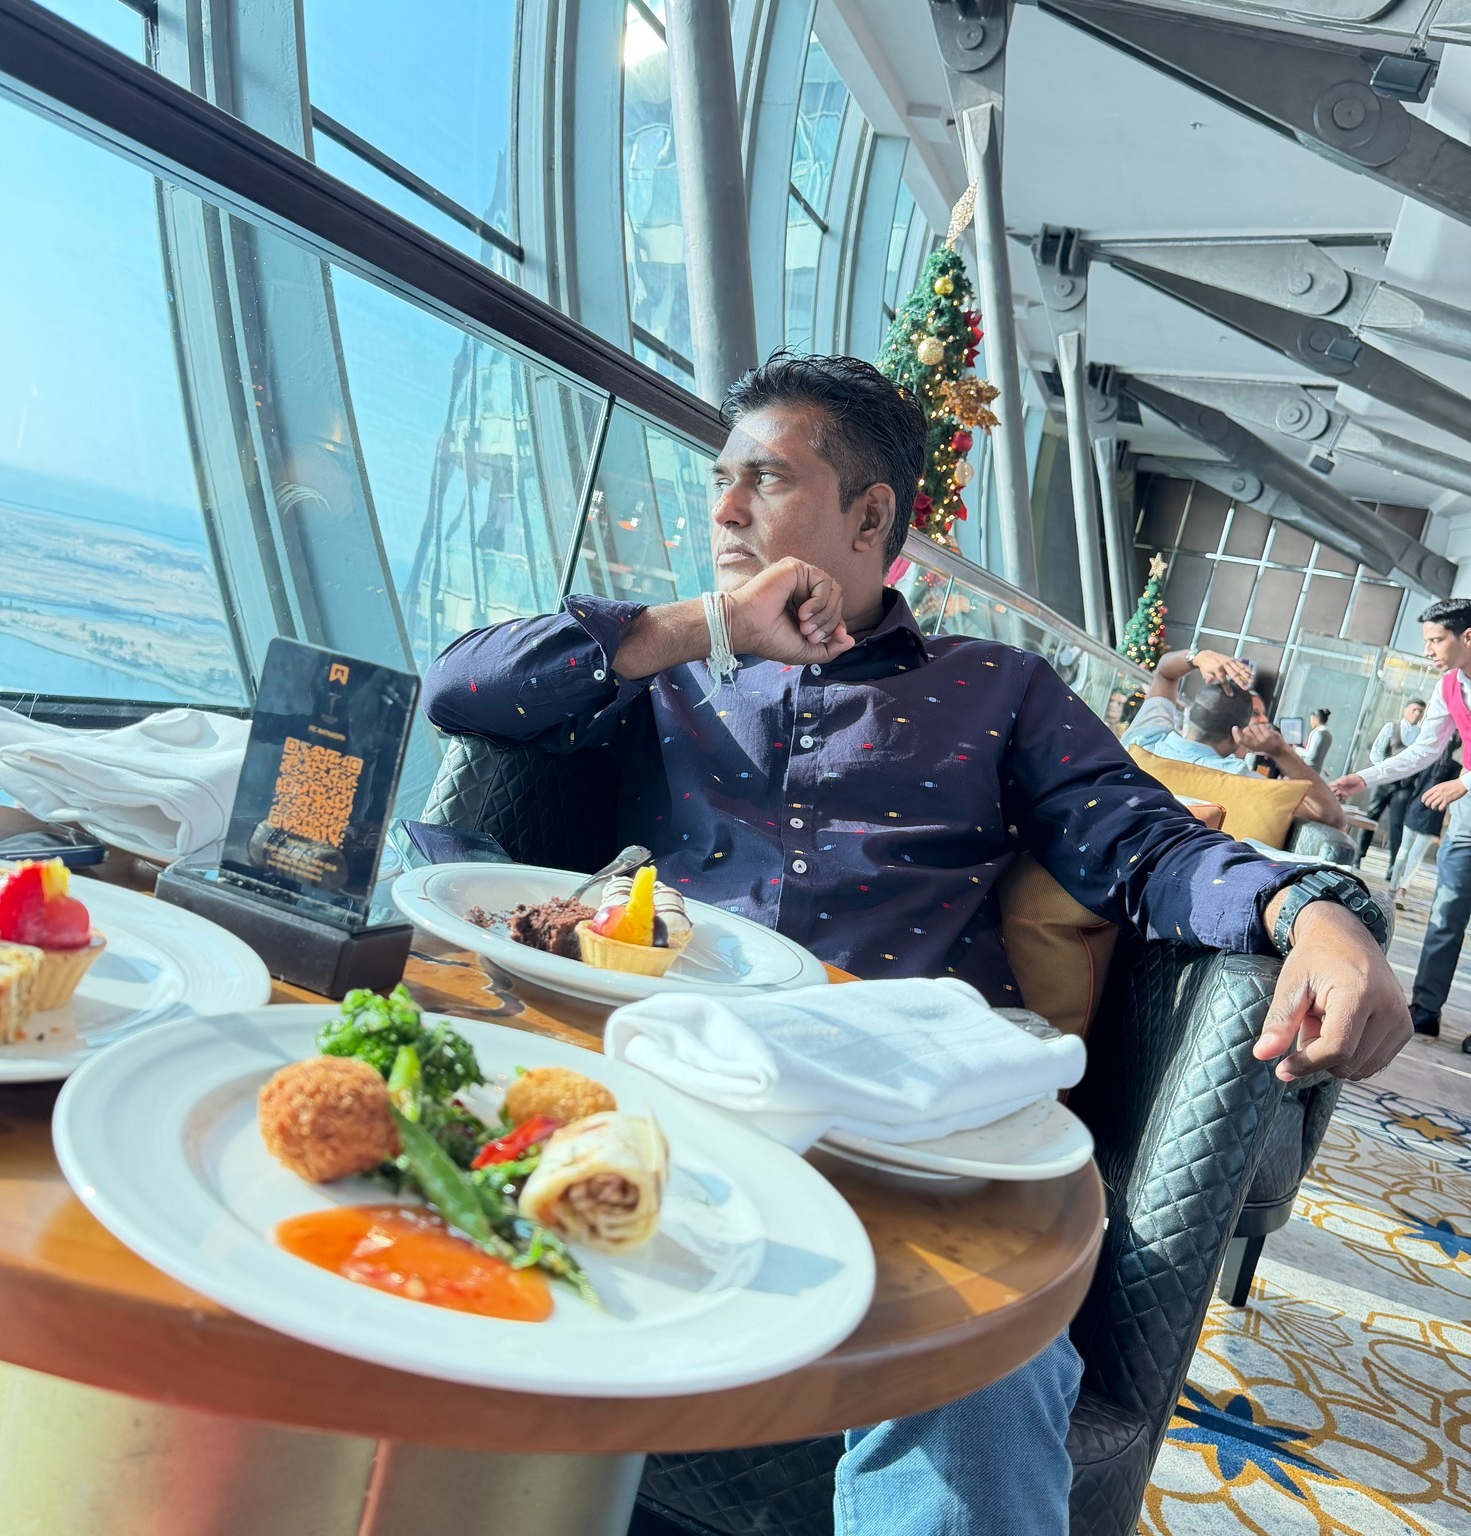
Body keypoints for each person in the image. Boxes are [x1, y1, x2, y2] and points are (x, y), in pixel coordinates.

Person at [425, 352, 1410, 1535]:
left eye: (764, 479)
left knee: (980, 1372)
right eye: (719, 479)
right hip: (664, 1076)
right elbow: (460, 690)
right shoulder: (667, 667)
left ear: (870, 516)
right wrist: (702, 626)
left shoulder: (998, 690)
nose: (724, 509)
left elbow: (1144, 845)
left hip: (903, 1131)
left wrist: (1314, 912)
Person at [1334, 597, 1471, 1041]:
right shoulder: (1447, 686)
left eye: (1436, 640)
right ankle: (1426, 1009)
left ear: (1468, 637)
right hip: (1468, 818)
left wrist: (1464, 782)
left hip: (1466, 794)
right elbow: (1424, 750)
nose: (1427, 651)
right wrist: (1364, 777)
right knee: (1446, 910)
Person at [1120, 649, 1345, 829]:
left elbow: (1165, 672)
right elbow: (1332, 816)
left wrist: (1197, 657)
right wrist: (1281, 751)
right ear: (1239, 733)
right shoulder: (1244, 782)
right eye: (1256, 715)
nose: (1263, 720)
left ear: (1190, 714)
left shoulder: (1141, 740)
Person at [1387, 743, 1462, 910]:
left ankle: (1392, 889)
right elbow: (1452, 797)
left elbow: (1408, 781)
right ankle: (1401, 892)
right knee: (1416, 855)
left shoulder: (1427, 760)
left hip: (1415, 807)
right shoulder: (1455, 768)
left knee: (1404, 850)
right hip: (1434, 814)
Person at [1357, 699, 1428, 871]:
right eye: (1414, 710)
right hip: (1384, 782)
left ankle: (1392, 866)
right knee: (1371, 817)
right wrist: (1383, 771)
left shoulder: (1421, 734)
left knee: (1396, 824)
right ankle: (1357, 856)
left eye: (1420, 711)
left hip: (1405, 786)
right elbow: (1376, 752)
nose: (1417, 714)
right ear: (1405, 710)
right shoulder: (1391, 727)